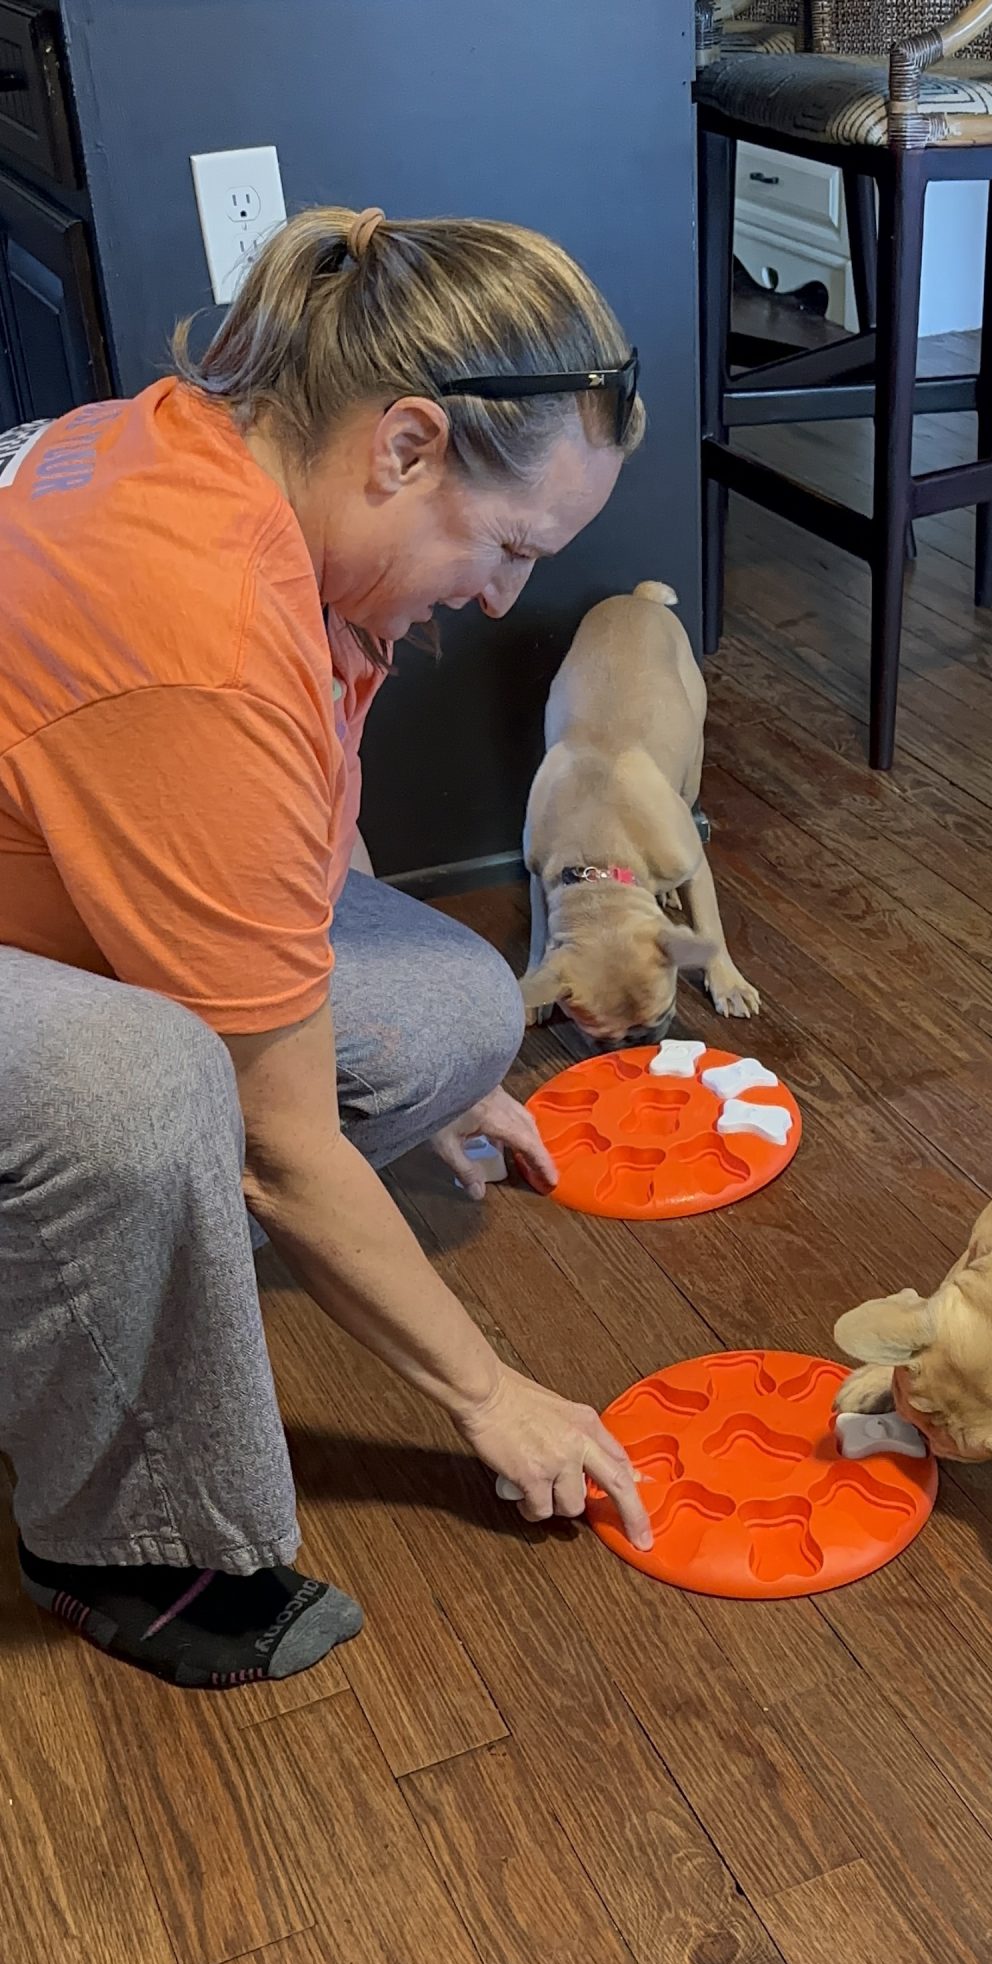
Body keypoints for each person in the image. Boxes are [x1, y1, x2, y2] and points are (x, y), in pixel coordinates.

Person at [0, 202, 652, 1691]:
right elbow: (285, 1142)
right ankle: (119, 1546)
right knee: (145, 1088)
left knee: (449, 1018)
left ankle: (113, 1244)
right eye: (507, 545)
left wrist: (423, 1077)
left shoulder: (229, 445)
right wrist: (490, 1397)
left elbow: (297, 824)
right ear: (406, 445)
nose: (502, 597)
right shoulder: (198, 627)